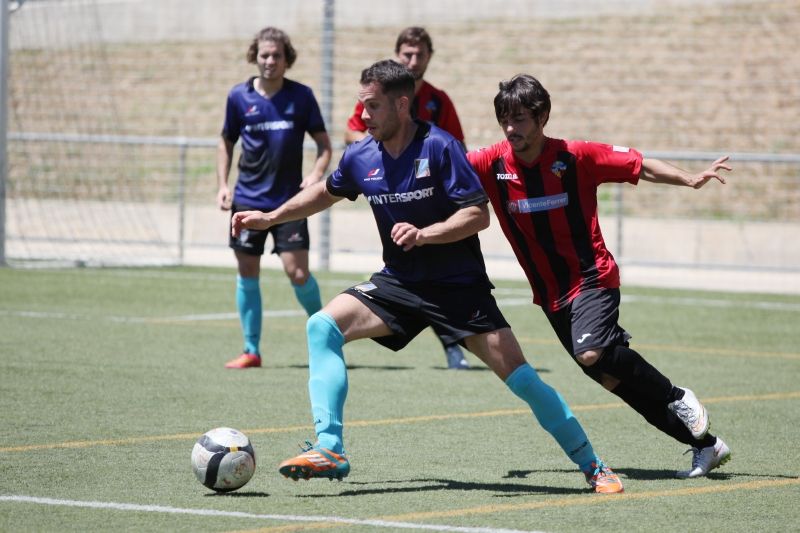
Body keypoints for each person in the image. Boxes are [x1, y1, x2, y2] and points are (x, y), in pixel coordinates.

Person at [233, 60, 624, 493]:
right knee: (322, 326)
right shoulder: (363, 154)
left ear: (402, 105)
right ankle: (330, 447)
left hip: (459, 287)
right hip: (398, 283)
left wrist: (425, 234)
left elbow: (477, 216)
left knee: (522, 378)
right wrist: (271, 217)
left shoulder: (440, 147)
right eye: (362, 106)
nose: (364, 116)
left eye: (373, 106)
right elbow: (325, 192)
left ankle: (593, 466)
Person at [467, 73, 733, 479]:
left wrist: (689, 178)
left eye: (519, 119)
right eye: (504, 119)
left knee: (592, 354)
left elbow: (638, 164)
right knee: (613, 380)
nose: (510, 128)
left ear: (543, 117)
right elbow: (443, 166)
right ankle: (706, 446)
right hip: (550, 295)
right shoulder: (491, 163)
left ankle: (678, 396)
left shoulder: (575, 157)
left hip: (592, 277)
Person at [345, 26, 469, 370]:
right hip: (391, 197)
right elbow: (350, 129)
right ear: (398, 55)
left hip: (432, 201)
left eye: (420, 54)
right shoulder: (379, 96)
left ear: (429, 57)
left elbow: (457, 145)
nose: (413, 60)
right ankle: (450, 341)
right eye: (407, 54)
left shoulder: (437, 101)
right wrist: (370, 152)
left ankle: (457, 341)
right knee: (406, 271)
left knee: (438, 273)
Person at [216, 27, 332, 369]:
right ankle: (251, 350)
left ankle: (328, 336)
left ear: (286, 59)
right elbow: (225, 141)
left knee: (297, 273)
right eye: (265, 55)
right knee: (247, 270)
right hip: (248, 200)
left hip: (289, 204)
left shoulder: (302, 97)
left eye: (277, 55)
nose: (270, 61)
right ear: (256, 56)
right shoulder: (238, 97)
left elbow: (324, 145)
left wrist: (314, 175)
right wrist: (223, 185)